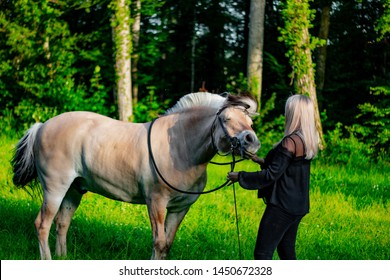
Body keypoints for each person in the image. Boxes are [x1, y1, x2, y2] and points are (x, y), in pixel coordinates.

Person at [227, 94, 319, 260]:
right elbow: (287, 168)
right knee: (286, 251)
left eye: (288, 110)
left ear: (294, 113)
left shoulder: (290, 141)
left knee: (262, 254)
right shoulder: (307, 140)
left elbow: (270, 175)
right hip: (298, 206)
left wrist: (240, 176)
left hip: (282, 207)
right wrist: (259, 160)